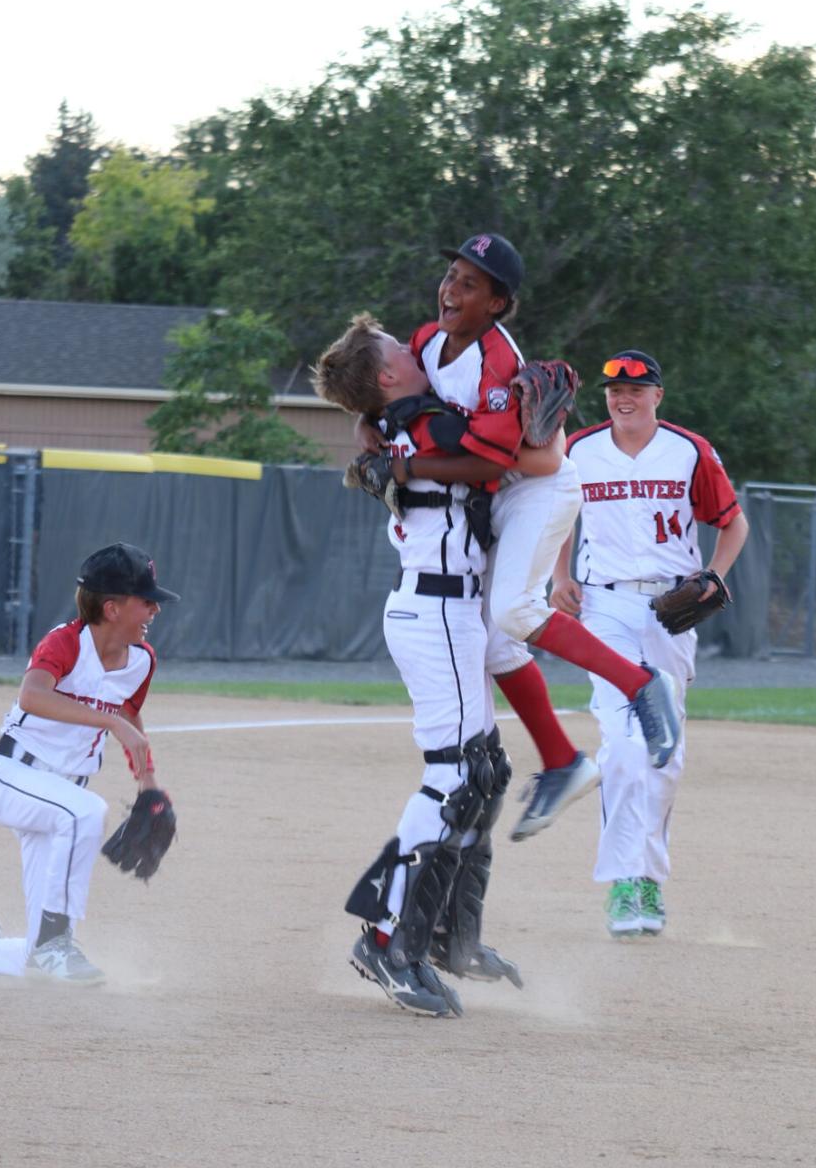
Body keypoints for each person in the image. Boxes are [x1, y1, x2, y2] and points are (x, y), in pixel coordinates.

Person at [359, 233, 682, 841]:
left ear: (498, 304)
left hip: (538, 492)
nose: (451, 290)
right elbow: (388, 383)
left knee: (512, 608)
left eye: (470, 284)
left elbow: (488, 465)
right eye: (451, 275)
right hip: (502, 497)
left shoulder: (497, 363)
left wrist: (404, 467)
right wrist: (364, 419)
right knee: (493, 641)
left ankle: (641, 683)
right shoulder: (428, 341)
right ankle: (561, 761)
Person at [313, 314, 522, 1018]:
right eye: (402, 349)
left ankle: (449, 934)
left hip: (447, 610)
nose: (418, 346)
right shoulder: (424, 422)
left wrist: (367, 427)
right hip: (435, 611)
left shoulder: (404, 420)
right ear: (387, 376)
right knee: (455, 776)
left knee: (485, 772)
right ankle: (384, 936)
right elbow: (497, 455)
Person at [550, 350, 749, 939]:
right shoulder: (579, 449)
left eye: (636, 387)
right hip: (604, 605)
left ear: (658, 395)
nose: (623, 396)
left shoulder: (688, 450)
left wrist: (714, 574)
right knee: (622, 742)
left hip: (671, 609)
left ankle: (649, 878)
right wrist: (560, 578)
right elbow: (558, 517)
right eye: (614, 388)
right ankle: (624, 882)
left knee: (662, 751)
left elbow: (733, 521)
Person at [0, 543, 180, 987]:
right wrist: (111, 721)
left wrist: (149, 785)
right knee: (85, 811)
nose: (154, 609)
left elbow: (129, 715)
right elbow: (32, 695)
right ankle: (58, 940)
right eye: (145, 600)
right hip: (13, 776)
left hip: (59, 791)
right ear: (111, 607)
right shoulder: (67, 642)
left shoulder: (141, 661)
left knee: (35, 952)